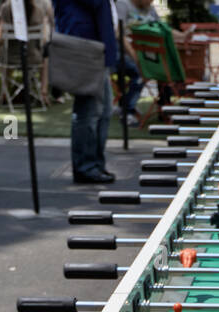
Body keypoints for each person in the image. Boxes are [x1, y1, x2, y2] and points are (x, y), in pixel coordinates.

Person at [53, 0, 117, 183]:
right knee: (89, 111)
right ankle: (86, 167)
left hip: (93, 44)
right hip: (84, 44)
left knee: (102, 111)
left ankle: (94, 164)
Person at [114, 0, 160, 124]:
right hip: (121, 53)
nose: (151, 1)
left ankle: (164, 107)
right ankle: (127, 111)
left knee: (163, 70)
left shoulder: (149, 8)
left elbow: (161, 27)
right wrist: (134, 55)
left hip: (146, 53)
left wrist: (182, 35)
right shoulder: (123, 5)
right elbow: (119, 33)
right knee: (140, 73)